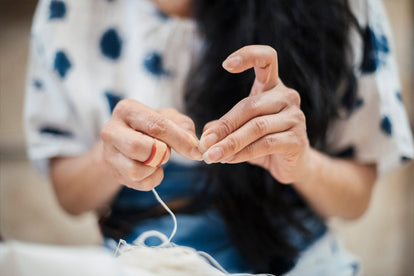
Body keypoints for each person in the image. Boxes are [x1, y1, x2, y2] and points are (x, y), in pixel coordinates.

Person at [24, 0, 413, 274]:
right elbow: (70, 196)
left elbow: (355, 197)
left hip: (298, 259)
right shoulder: (68, 13)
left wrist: (303, 163)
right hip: (141, 261)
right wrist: (108, 158)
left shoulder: (342, 8)